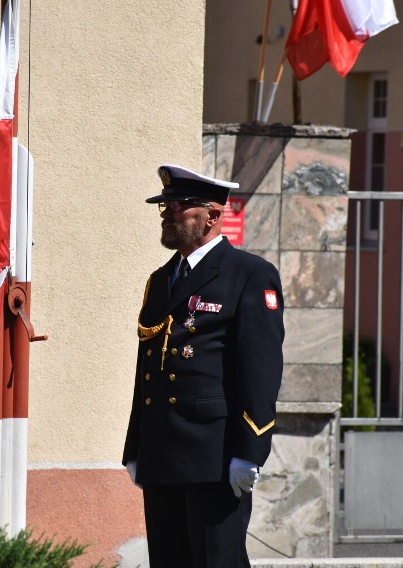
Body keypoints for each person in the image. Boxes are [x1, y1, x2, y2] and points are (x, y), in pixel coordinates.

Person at [122, 164, 284, 568]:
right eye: (164, 206)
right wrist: (136, 446)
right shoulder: (161, 280)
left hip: (215, 457)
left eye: (177, 206)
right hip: (162, 453)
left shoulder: (249, 274)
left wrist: (250, 452)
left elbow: (260, 370)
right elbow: (148, 368)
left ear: (212, 215)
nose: (167, 213)